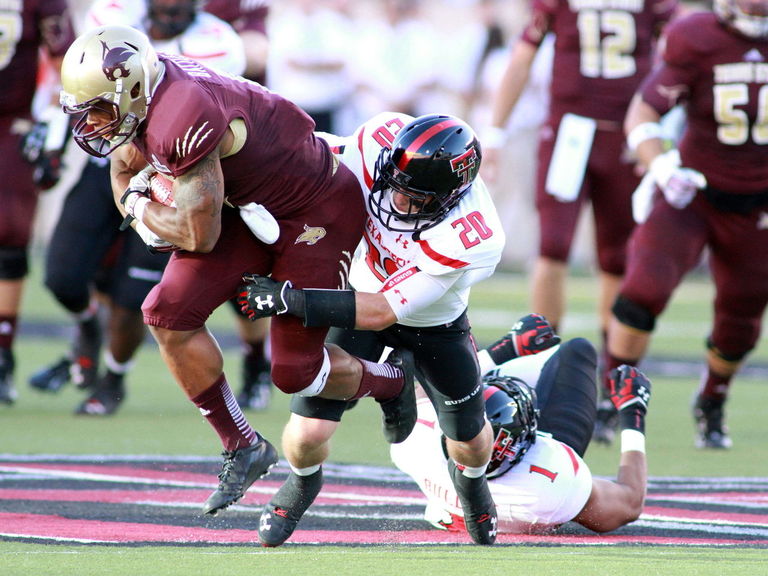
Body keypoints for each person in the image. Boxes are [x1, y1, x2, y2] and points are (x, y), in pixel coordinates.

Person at [58, 24, 414, 516]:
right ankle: (242, 445)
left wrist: (140, 210)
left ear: (132, 90)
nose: (92, 123)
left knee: (295, 372)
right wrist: (141, 206)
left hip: (313, 209)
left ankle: (394, 379)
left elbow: (197, 234)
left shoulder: (180, 115)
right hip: (245, 207)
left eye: (98, 107)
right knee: (167, 313)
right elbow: (122, 170)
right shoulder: (137, 105)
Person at [238, 112, 507, 546]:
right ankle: (304, 481)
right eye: (394, 185)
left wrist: (292, 299)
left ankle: (472, 484)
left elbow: (382, 311)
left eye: (415, 198)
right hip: (356, 292)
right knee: (307, 434)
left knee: (470, 441)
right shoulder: (375, 144)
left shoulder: (472, 232)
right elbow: (306, 152)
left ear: (452, 195)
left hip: (430, 324)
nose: (397, 202)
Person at [29, 0, 249, 416]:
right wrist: (54, 137)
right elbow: (78, 88)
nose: (171, 8)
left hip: (170, 173)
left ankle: (113, 376)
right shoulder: (111, 18)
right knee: (61, 275)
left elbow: (205, 118)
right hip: (108, 165)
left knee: (134, 295)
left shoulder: (217, 42)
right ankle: (88, 327)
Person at [600, 0, 768, 449]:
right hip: (693, 192)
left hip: (758, 206)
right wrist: (663, 168)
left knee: (743, 314)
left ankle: (712, 399)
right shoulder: (697, 34)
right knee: (643, 290)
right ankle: (609, 392)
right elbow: (643, 113)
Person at [482, 0, 678, 336]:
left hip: (627, 136)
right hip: (569, 135)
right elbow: (521, 60)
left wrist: (658, 136)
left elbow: (680, 60)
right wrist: (495, 133)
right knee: (553, 245)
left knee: (617, 255)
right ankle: (542, 355)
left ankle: (615, 367)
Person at [391, 335, 652, 536]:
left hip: (470, 497)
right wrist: (633, 412)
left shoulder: (414, 442)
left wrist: (503, 350)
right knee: (577, 351)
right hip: (531, 488)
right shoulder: (552, 476)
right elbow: (629, 503)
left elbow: (429, 391)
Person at [0, 0, 75, 405]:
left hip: (10, 122)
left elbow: (69, 64)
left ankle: (2, 356)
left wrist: (51, 130)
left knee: (9, 230)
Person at [205, 0, 275, 411]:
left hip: (237, 141)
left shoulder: (229, 17)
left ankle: (255, 362)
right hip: (167, 139)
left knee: (243, 269)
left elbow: (254, 53)